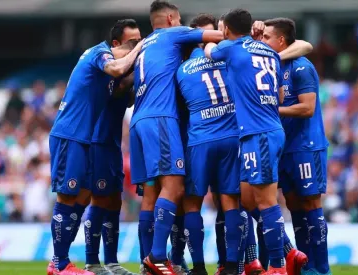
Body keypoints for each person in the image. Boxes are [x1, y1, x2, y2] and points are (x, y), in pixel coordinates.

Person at [130, 1, 225, 275]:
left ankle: (147, 261)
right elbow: (220, 37)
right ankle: (158, 257)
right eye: (181, 19)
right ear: (171, 18)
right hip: (161, 119)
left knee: (151, 194)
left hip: (139, 121)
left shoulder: (146, 44)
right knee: (175, 188)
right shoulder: (174, 33)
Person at [47, 23, 143, 275]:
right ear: (117, 46)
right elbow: (118, 66)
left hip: (83, 138)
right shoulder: (99, 54)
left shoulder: (110, 79)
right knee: (67, 197)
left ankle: (63, 262)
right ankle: (58, 263)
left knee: (82, 197)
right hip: (70, 134)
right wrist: (141, 49)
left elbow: (126, 85)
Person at [205, 8, 289, 275]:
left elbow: (209, 50)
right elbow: (280, 96)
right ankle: (288, 252)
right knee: (249, 200)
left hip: (258, 134)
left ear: (227, 30)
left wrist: (215, 34)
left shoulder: (230, 48)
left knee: (266, 201)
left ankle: (277, 265)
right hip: (271, 129)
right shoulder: (270, 52)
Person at [262, 18, 331, 275]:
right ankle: (304, 265)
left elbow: (308, 107)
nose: (263, 41)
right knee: (293, 207)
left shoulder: (301, 67)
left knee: (312, 204)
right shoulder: (271, 68)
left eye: (267, 37)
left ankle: (321, 268)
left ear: (281, 40)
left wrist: (272, 109)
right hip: (284, 147)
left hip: (306, 145)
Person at [176, 13, 241, 275]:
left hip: (200, 140)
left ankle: (199, 268)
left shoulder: (181, 69)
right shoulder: (229, 60)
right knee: (230, 202)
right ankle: (232, 266)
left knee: (192, 203)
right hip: (230, 137)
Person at [82, 20, 142, 275]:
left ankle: (112, 261)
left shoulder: (127, 68)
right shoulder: (106, 64)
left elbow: (127, 100)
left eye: (140, 40)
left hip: (113, 143)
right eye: (132, 42)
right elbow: (116, 90)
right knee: (100, 199)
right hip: (97, 141)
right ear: (116, 45)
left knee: (115, 201)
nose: (138, 45)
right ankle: (92, 261)